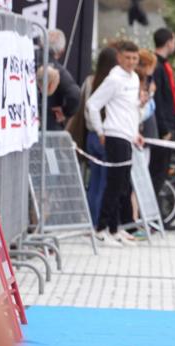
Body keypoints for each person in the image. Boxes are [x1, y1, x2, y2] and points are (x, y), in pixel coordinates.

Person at [86, 41, 144, 246]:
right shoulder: (114, 78)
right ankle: (101, 229)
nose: (131, 62)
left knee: (122, 186)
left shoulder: (135, 77)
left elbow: (131, 109)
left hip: (127, 137)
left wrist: (135, 132)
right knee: (114, 185)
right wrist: (101, 131)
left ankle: (114, 228)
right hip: (114, 135)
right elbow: (92, 104)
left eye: (134, 58)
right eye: (127, 58)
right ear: (119, 58)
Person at [74, 47, 118, 227]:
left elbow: (83, 106)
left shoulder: (89, 81)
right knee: (106, 183)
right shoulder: (112, 82)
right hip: (106, 136)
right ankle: (100, 223)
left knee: (94, 183)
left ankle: (91, 221)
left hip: (90, 136)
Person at [150, 28, 175, 198]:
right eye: (174, 41)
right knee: (158, 171)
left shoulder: (163, 65)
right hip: (163, 127)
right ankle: (150, 213)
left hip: (167, 123)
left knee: (161, 171)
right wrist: (165, 129)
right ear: (169, 42)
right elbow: (158, 100)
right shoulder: (157, 66)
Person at [46, 29, 81, 131]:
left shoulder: (26, 60)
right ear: (62, 51)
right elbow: (74, 93)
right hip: (49, 124)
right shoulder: (57, 71)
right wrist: (66, 111)